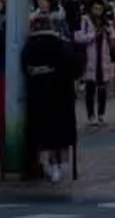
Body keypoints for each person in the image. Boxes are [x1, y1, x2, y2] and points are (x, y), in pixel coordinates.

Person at [21, 12, 79, 184]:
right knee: (60, 132)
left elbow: (25, 67)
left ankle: (46, 164)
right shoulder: (62, 44)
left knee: (41, 131)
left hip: (38, 92)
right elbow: (73, 66)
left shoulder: (29, 45)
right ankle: (60, 164)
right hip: (61, 92)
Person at [74, 0, 115, 126]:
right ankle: (91, 115)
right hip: (90, 59)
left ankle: (101, 114)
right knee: (90, 89)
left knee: (103, 89)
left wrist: (110, 34)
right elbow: (78, 37)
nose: (98, 11)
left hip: (103, 58)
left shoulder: (106, 22)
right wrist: (93, 35)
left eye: (100, 8)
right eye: (95, 8)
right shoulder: (85, 20)